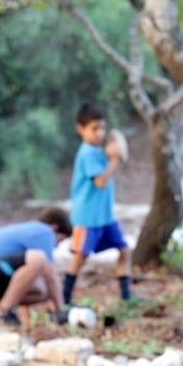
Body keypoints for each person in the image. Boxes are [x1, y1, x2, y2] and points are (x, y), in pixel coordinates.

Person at [63, 102, 131, 307]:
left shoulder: (98, 151)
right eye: (94, 129)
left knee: (125, 251)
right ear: (80, 129)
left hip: (105, 217)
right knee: (80, 257)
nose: (99, 133)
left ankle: (127, 296)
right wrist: (114, 160)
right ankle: (64, 298)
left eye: (102, 128)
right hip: (87, 218)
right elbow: (100, 182)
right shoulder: (86, 153)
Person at [0, 207, 73, 327]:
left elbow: (23, 283)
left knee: (41, 290)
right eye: (60, 240)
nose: (56, 246)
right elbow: (51, 276)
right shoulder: (44, 231)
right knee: (38, 259)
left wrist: (27, 323)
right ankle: (2, 313)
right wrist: (61, 311)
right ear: (54, 227)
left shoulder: (29, 230)